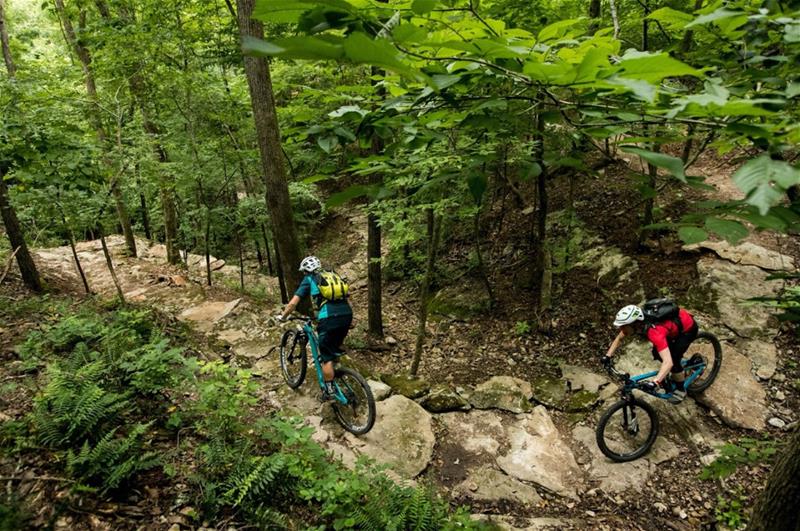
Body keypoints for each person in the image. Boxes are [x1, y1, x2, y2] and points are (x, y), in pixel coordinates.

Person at [277, 256, 353, 400]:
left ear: (306, 271)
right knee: (333, 345)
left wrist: (283, 316)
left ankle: (329, 391)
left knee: (326, 356)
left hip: (329, 316)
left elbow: (293, 303)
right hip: (347, 314)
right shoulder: (332, 274)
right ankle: (337, 370)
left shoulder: (309, 279)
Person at [603, 303, 699, 403]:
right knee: (656, 353)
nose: (621, 329)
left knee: (674, 360)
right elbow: (619, 339)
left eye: (623, 326)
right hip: (670, 329)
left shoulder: (654, 332)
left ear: (633, 324)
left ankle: (681, 389)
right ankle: (668, 374)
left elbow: (668, 362)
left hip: (687, 329)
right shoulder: (637, 324)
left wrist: (655, 382)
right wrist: (607, 356)